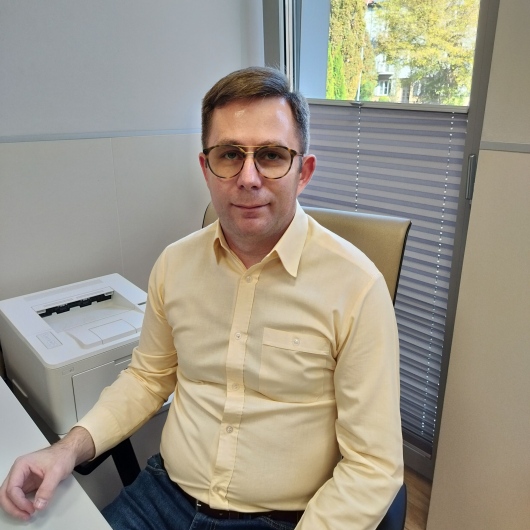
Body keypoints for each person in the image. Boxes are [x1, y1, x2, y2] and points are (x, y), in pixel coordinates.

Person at [0, 66, 403, 529]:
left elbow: (373, 465)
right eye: (229, 154)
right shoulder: (175, 265)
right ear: (206, 168)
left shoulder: (356, 288)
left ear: (303, 172)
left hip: (281, 519)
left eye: (271, 155)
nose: (248, 177)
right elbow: (148, 379)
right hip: (163, 496)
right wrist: (64, 451)